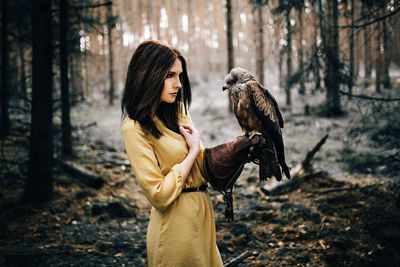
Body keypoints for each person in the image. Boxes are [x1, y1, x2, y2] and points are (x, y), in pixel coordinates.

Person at [121, 40, 224, 267]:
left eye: (180, 76)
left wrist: (236, 153)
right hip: (175, 226)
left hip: (203, 217)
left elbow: (201, 168)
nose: (178, 84)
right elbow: (158, 194)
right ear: (148, 75)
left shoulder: (178, 112)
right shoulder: (134, 128)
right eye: (170, 75)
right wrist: (193, 151)